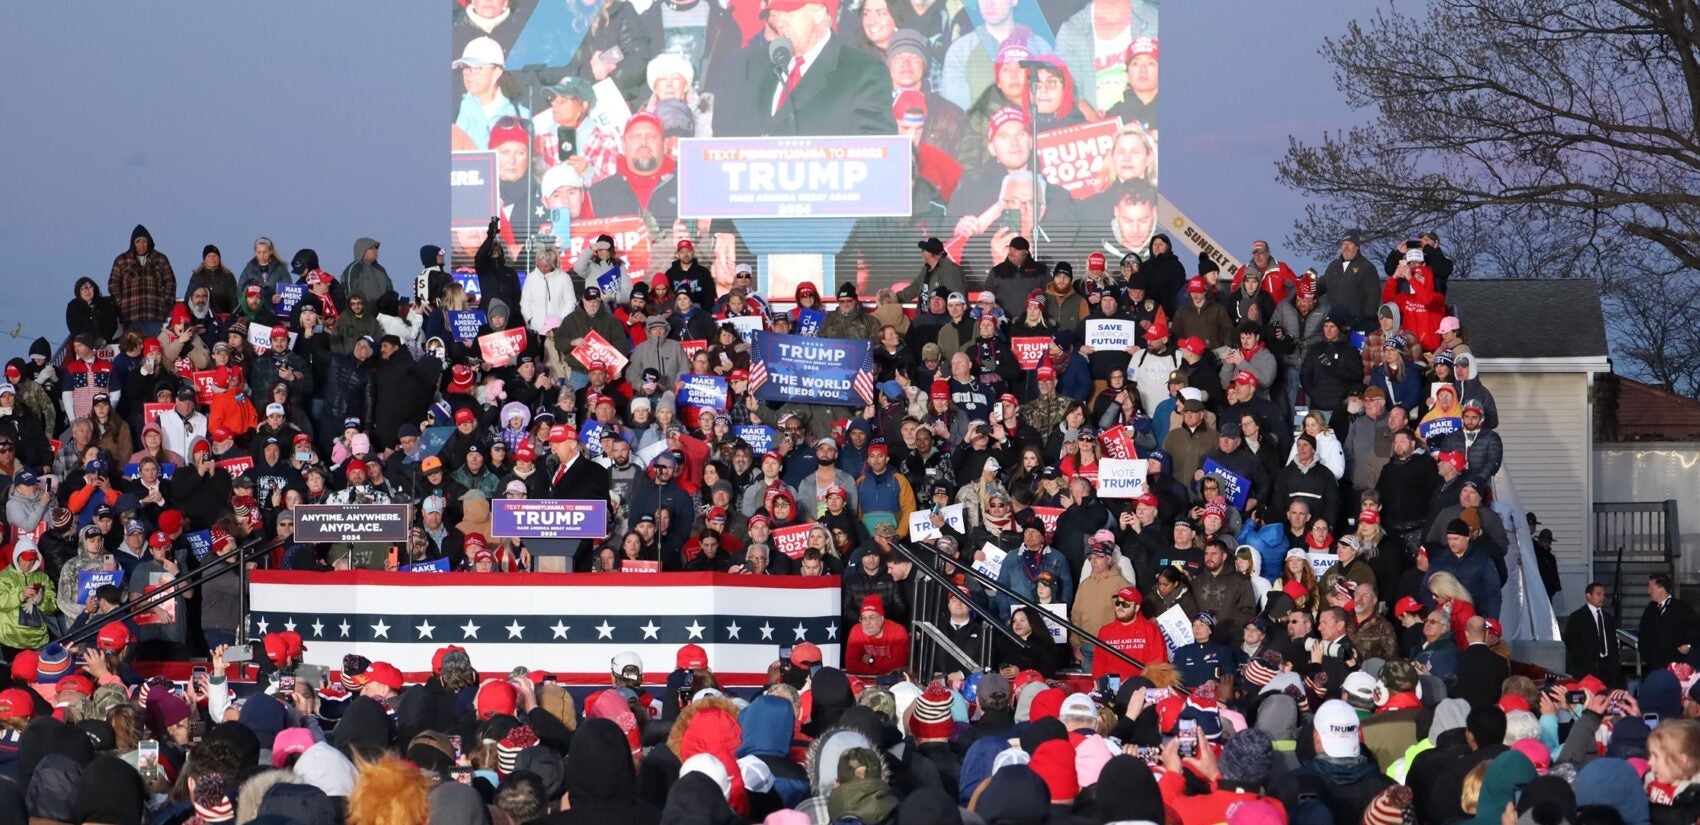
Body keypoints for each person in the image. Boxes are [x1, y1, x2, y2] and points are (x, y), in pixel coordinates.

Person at [1641, 573, 1699, 672]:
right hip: (1654, 667)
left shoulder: (1682, 607)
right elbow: (1643, 633)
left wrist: (1689, 646)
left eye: (1651, 588)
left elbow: (1697, 627)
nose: (1648, 591)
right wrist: (1647, 655)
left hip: (1677, 666)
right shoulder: (1649, 609)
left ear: (1661, 589)